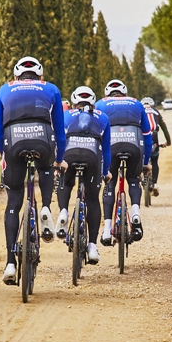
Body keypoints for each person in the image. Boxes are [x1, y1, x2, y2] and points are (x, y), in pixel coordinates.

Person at [0, 56, 67, 285]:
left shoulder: (5, 89)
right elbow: (60, 130)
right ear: (40, 76)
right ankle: (45, 206)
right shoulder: (52, 89)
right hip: (43, 138)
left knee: (13, 202)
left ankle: (9, 263)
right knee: (46, 167)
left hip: (13, 140)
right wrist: (60, 160)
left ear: (16, 76)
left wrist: (3, 154)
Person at [56, 86, 110, 265]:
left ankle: (63, 211)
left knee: (65, 182)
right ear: (93, 103)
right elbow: (107, 151)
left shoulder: (66, 115)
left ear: (73, 102)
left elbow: (58, 140)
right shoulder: (103, 117)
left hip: (69, 155)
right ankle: (93, 247)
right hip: (92, 157)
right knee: (93, 200)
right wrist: (105, 172)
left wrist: (57, 164)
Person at [96, 79, 152, 243]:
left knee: (110, 183)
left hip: (111, 146)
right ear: (124, 93)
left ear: (107, 94)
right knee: (133, 179)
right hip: (134, 144)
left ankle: (106, 230)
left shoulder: (100, 104)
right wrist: (146, 162)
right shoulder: (136, 103)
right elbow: (147, 136)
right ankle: (135, 212)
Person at [141, 97, 172, 196]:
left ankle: (138, 177)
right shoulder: (156, 112)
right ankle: (154, 183)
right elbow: (164, 128)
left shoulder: (139, 111)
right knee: (154, 161)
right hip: (153, 137)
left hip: (141, 137)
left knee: (138, 159)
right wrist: (168, 142)